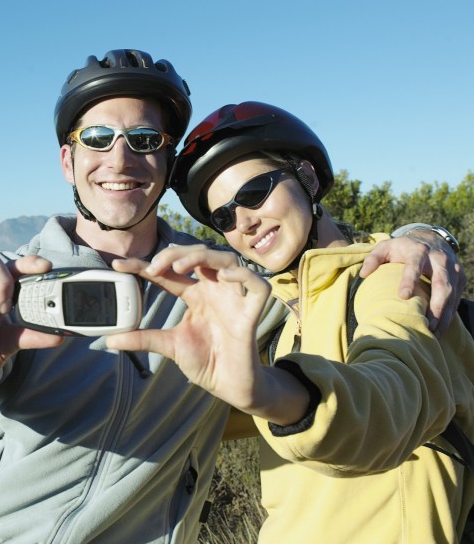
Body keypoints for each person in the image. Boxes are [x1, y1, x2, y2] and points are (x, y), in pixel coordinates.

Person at [0, 51, 465, 544]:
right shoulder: (15, 286)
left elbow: (366, 355)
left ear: (163, 159)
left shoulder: (217, 288)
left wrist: (420, 238)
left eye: (144, 138)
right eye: (97, 137)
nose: (120, 157)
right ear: (68, 159)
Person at [107, 101, 474, 543]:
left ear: (308, 176)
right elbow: (190, 424)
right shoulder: (278, 319)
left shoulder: (392, 277)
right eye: (223, 217)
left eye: (254, 192)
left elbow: (393, 400)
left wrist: (270, 393)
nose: (243, 221)